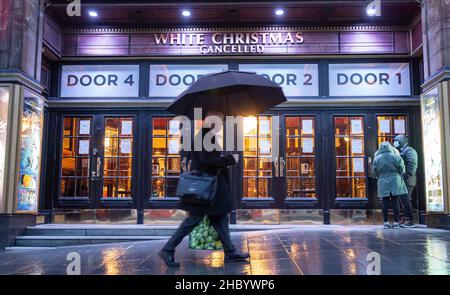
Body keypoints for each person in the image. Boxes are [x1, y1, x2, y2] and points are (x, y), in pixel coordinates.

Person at [158, 112, 250, 268]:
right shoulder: (205, 136)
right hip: (206, 190)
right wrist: (230, 159)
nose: (221, 124)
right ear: (212, 121)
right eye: (220, 121)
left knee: (220, 219)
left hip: (210, 191)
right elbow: (207, 161)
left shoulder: (206, 135)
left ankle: (230, 251)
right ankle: (167, 249)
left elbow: (207, 159)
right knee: (192, 221)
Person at [372, 142, 408, 229]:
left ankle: (385, 222)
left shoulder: (377, 158)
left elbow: (374, 172)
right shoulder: (396, 156)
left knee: (385, 201)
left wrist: (380, 175)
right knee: (396, 201)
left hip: (382, 180)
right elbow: (402, 169)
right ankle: (396, 222)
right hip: (395, 180)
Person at [393, 135, 418, 228]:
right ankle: (405, 218)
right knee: (402, 200)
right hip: (402, 179)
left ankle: (410, 220)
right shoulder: (402, 151)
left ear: (402, 141)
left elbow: (412, 165)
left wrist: (407, 176)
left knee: (406, 199)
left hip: (408, 180)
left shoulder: (410, 151)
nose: (395, 143)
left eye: (397, 141)